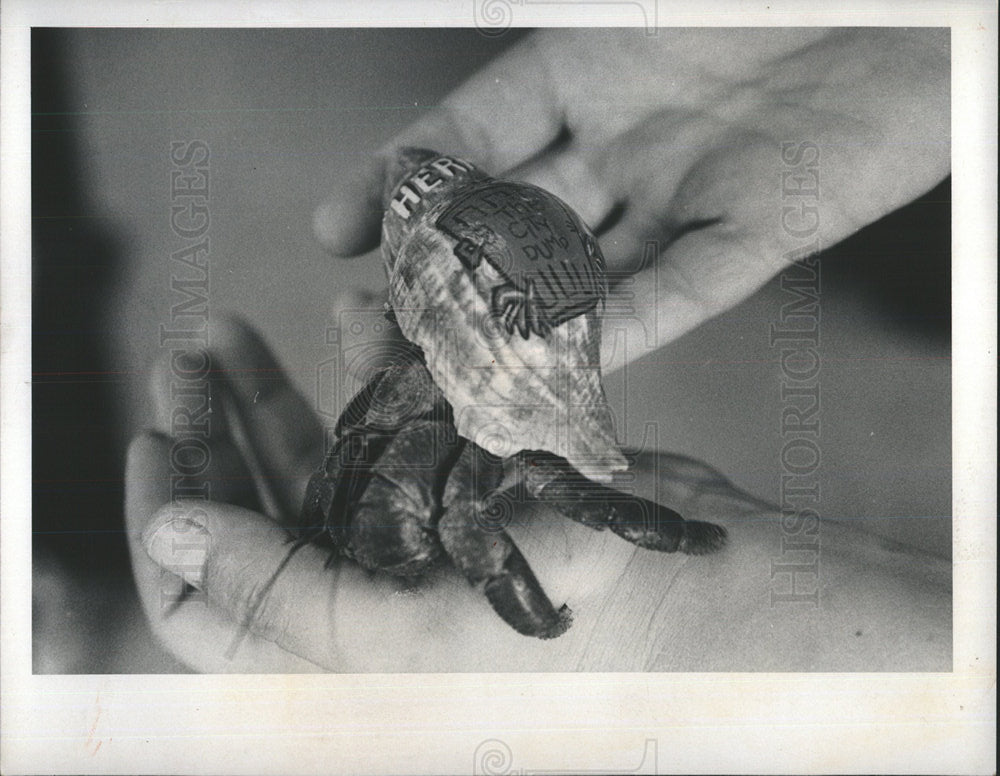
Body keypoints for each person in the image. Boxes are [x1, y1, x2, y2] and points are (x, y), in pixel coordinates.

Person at [125, 28, 951, 671]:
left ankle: (651, 549)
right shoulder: (414, 383)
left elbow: (438, 470)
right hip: (448, 346)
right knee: (390, 434)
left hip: (463, 346)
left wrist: (637, 626)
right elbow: (387, 422)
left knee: (444, 483)